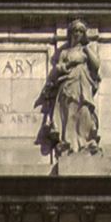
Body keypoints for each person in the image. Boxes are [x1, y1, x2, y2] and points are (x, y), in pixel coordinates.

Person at [37, 19, 101, 154]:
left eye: (81, 31)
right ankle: (70, 143)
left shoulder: (86, 51)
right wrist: (68, 65)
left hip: (83, 84)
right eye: (75, 31)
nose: (78, 34)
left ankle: (86, 141)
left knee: (84, 112)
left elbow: (96, 65)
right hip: (69, 85)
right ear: (71, 33)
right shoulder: (65, 53)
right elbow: (57, 70)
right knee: (70, 114)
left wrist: (87, 48)